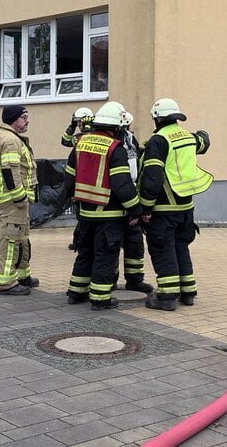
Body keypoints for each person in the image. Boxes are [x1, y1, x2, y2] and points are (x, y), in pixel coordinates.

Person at [64, 101, 142, 310]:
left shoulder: (80, 143)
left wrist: (70, 200)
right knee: (105, 255)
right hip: (109, 213)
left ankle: (76, 292)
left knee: (85, 252)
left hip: (85, 212)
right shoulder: (115, 148)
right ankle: (100, 298)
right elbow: (122, 184)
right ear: (115, 127)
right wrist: (136, 208)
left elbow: (69, 177)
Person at [138, 98, 213, 311]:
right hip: (186, 208)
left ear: (157, 118)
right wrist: (204, 134)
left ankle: (167, 297)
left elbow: (152, 178)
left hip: (163, 208)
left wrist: (145, 208)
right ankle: (187, 292)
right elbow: (204, 142)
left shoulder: (158, 141)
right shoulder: (188, 137)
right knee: (181, 247)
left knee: (163, 250)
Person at [0, 104, 38, 295]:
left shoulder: (11, 137)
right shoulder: (10, 140)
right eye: (24, 117)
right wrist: (19, 197)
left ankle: (22, 275)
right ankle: (7, 282)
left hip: (17, 200)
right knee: (10, 240)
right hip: (13, 201)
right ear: (13, 119)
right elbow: (10, 171)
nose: (27, 121)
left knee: (21, 238)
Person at [116, 109, 153, 293]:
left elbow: (136, 163)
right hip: (115, 200)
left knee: (135, 243)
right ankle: (108, 281)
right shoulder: (114, 144)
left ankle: (135, 280)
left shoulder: (130, 140)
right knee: (111, 245)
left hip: (132, 195)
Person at [62, 106, 94, 250]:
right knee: (81, 214)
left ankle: (82, 241)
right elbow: (64, 141)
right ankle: (80, 240)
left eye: (80, 123)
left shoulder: (87, 137)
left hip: (86, 180)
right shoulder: (78, 136)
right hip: (82, 180)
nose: (79, 126)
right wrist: (72, 126)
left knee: (83, 216)